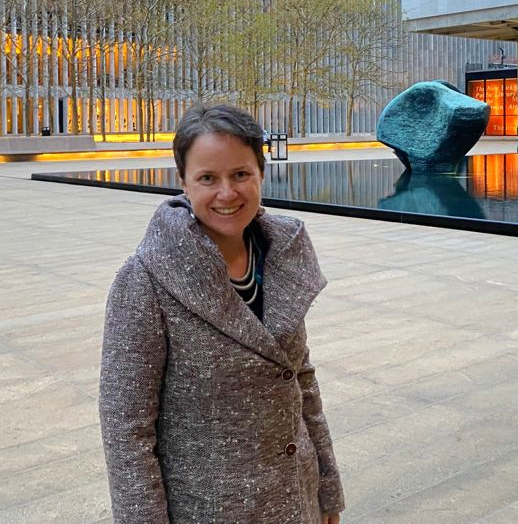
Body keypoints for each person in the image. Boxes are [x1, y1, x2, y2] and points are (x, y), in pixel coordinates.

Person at [99, 104, 345, 523]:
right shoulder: (146, 279)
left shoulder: (281, 255)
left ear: (261, 174)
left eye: (240, 174)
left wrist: (326, 491)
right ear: (183, 182)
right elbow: (127, 429)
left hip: (294, 495)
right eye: (208, 178)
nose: (227, 193)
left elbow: (300, 379)